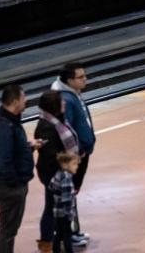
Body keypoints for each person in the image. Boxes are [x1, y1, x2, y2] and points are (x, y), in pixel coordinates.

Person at [0, 84, 39, 253]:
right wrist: (16, 182)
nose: (26, 101)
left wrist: (28, 147)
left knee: (9, 229)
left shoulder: (7, 122)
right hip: (9, 186)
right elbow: (4, 160)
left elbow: (11, 151)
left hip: (8, 183)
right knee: (8, 230)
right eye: (24, 98)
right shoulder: (4, 126)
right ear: (15, 101)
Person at [51, 62, 95, 247]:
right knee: (68, 197)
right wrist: (77, 152)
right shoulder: (65, 99)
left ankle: (72, 232)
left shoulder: (72, 94)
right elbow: (66, 128)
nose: (85, 79)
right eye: (81, 77)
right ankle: (67, 235)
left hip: (79, 155)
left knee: (72, 196)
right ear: (69, 80)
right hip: (75, 157)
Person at [34, 91, 80, 253]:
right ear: (53, 106)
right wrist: (70, 161)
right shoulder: (46, 126)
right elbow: (50, 155)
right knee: (51, 206)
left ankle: (58, 237)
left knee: (56, 206)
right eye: (61, 101)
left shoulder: (56, 120)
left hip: (61, 171)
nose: (64, 103)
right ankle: (47, 241)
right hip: (53, 174)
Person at [49, 152, 81, 253]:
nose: (77, 167)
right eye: (74, 164)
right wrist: (70, 214)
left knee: (58, 233)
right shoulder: (67, 178)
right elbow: (66, 200)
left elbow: (51, 186)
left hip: (57, 211)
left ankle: (56, 250)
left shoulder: (58, 174)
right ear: (65, 165)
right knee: (67, 235)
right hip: (65, 213)